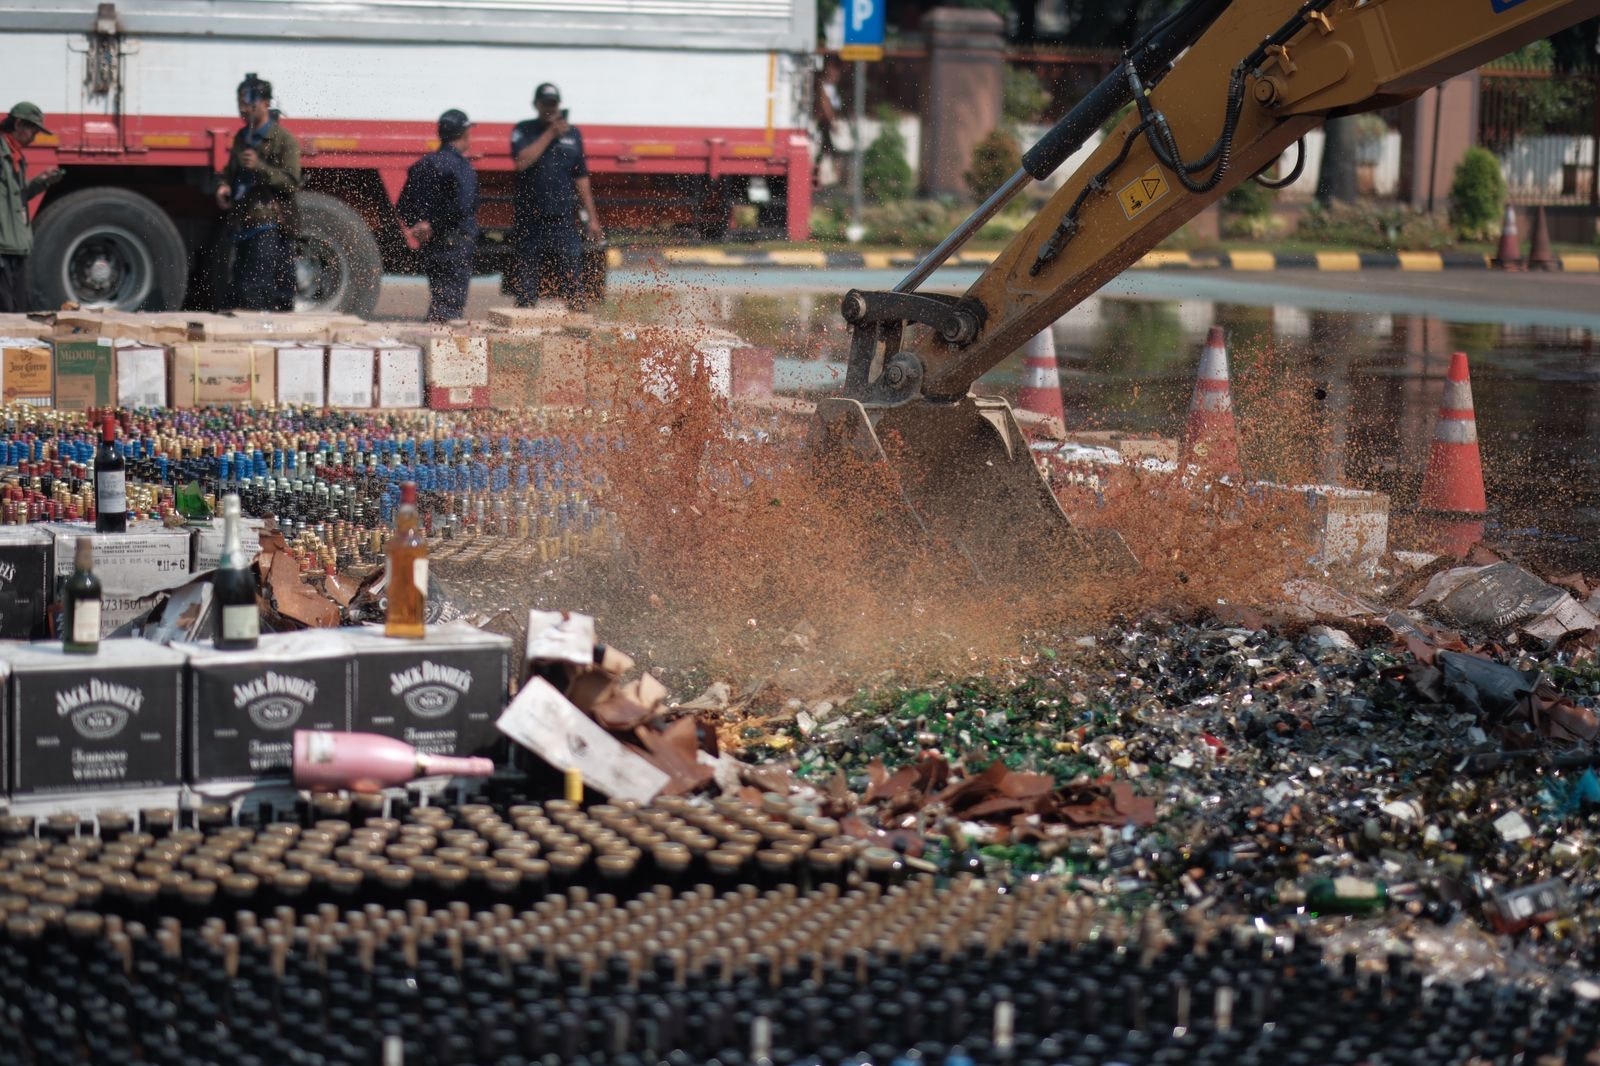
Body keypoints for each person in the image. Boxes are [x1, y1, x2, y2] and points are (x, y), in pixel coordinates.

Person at [508, 82, 603, 309]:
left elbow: (581, 178)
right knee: (526, 275)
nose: (550, 108)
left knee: (572, 271)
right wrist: (550, 133)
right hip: (530, 217)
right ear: (536, 104)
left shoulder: (573, 134)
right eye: (545, 103)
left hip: (562, 217)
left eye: (554, 103)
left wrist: (592, 218)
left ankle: (577, 318)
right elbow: (522, 161)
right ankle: (525, 319)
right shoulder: (524, 129)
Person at [216, 73, 300, 312]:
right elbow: (230, 171)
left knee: (259, 291)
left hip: (269, 225)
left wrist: (261, 168)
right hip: (243, 223)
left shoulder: (283, 140)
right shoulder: (243, 137)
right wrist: (224, 186)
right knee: (238, 290)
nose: (243, 109)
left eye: (248, 102)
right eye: (240, 103)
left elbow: (291, 183)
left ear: (265, 103)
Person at [397, 109, 479, 323]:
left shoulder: (423, 165)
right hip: (455, 245)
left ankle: (431, 346)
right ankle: (435, 352)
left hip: (432, 246)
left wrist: (419, 226)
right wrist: (433, 224)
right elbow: (463, 207)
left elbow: (404, 205)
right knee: (449, 309)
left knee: (440, 300)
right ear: (463, 134)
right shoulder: (461, 167)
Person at [0, 102, 65, 313]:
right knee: (6, 312)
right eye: (33, 130)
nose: (35, 137)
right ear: (18, 124)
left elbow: (17, 197)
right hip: (3, 249)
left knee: (19, 310)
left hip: (16, 247)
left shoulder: (15, 156)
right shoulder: (4, 155)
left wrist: (42, 181)